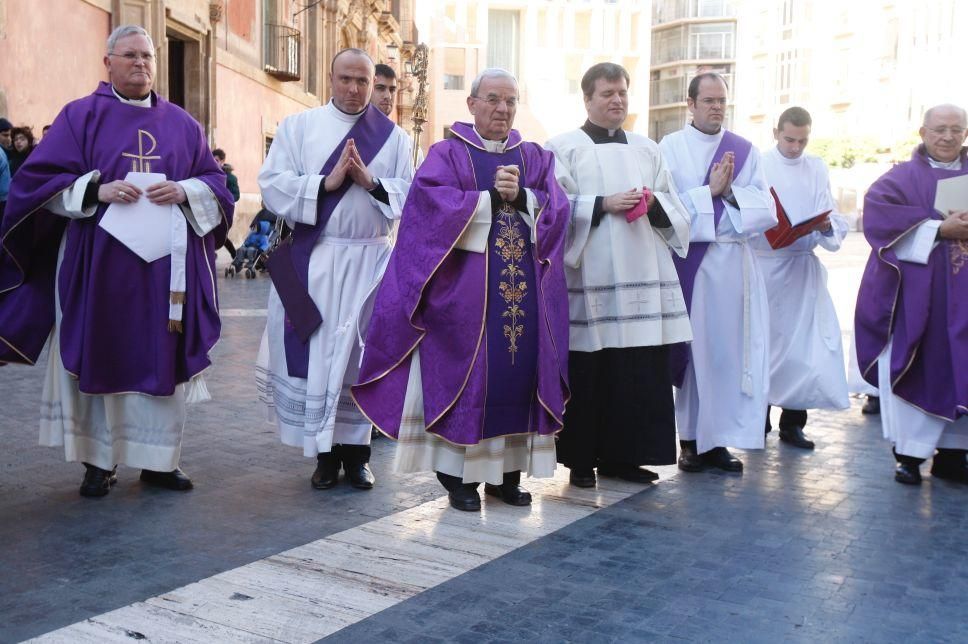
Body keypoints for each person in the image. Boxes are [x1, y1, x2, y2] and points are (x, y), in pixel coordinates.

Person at [0, 25, 234, 497]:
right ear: (107, 62)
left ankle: (159, 462)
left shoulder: (183, 125)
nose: (141, 64)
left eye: (147, 57)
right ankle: (98, 461)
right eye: (130, 56)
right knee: (99, 349)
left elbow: (215, 182)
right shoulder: (79, 117)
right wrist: (94, 188)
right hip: (96, 268)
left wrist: (187, 189)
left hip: (166, 273)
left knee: (160, 356)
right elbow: (36, 182)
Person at [352, 68, 570, 511]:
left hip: (523, 297)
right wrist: (488, 199)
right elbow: (425, 207)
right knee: (466, 382)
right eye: (492, 99)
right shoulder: (448, 153)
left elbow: (559, 206)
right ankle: (460, 479)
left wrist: (526, 199)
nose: (502, 109)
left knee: (519, 378)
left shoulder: (535, 157)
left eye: (510, 101)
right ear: (471, 104)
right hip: (463, 302)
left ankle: (506, 476)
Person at [256, 48, 414, 491]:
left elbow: (410, 193)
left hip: (371, 263)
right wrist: (322, 185)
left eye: (363, 81)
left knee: (361, 361)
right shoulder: (298, 127)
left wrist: (371, 183)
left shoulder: (396, 138)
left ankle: (358, 455)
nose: (354, 89)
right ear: (330, 77)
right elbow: (271, 184)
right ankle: (324, 458)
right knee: (323, 357)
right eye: (346, 79)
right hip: (317, 260)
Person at [545, 63, 691, 487]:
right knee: (591, 370)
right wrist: (602, 204)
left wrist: (654, 203)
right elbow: (553, 210)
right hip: (590, 277)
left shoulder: (648, 149)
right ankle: (581, 460)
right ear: (587, 98)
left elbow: (676, 207)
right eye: (607, 93)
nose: (617, 100)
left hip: (643, 272)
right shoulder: (562, 147)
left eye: (622, 93)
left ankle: (626, 458)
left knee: (639, 370)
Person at [659, 72, 776, 473]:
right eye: (708, 100)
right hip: (694, 264)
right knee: (696, 355)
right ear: (690, 104)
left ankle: (719, 441)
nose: (716, 107)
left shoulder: (746, 150)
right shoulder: (670, 148)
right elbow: (665, 206)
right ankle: (690, 441)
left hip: (736, 267)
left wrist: (729, 193)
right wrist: (707, 192)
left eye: (721, 101)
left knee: (728, 354)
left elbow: (767, 211)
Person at [855, 103, 968, 485]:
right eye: (940, 129)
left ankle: (954, 456)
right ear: (923, 133)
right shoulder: (900, 178)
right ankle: (908, 456)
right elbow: (878, 218)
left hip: (965, 300)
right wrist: (938, 229)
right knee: (921, 365)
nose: (948, 137)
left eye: (956, 129)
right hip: (920, 302)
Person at [753, 107, 850, 449]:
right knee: (764, 343)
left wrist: (825, 225)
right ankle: (758, 420)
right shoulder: (759, 163)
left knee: (803, 349)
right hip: (767, 265)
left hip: (802, 267)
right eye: (789, 139)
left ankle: (793, 423)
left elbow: (833, 213)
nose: (795, 147)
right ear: (775, 132)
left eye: (802, 140)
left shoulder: (817, 166)